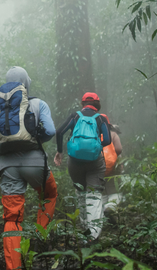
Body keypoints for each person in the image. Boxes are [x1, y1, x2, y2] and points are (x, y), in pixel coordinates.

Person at [0, 66, 57, 270]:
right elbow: (50, 131)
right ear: (26, 82)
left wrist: (0, 148)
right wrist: (34, 138)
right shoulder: (38, 104)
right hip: (35, 163)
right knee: (49, 194)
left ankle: (13, 267)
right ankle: (40, 236)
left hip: (7, 167)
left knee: (12, 218)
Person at [53, 92, 111, 240]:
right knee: (94, 194)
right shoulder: (101, 119)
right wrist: (96, 145)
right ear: (97, 104)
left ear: (83, 104)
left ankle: (84, 227)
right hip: (95, 162)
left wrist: (60, 151)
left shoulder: (75, 116)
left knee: (80, 191)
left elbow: (59, 132)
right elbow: (108, 140)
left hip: (75, 161)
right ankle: (92, 235)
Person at [102, 122, 123, 212]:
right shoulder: (114, 135)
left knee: (101, 191)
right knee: (114, 190)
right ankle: (110, 208)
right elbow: (118, 151)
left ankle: (101, 211)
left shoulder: (98, 135)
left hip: (98, 168)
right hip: (112, 169)